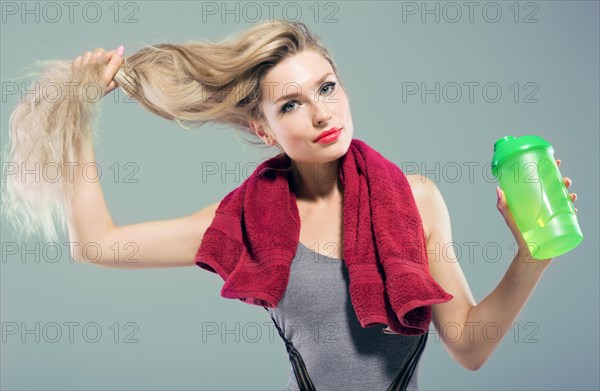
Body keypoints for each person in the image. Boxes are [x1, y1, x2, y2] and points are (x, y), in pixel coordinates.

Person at [2, 20, 579, 390]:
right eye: (292, 105)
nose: (322, 114)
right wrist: (76, 115)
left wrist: (532, 254)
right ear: (262, 128)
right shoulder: (246, 221)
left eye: (326, 88)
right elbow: (97, 244)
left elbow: (471, 347)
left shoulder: (415, 199)